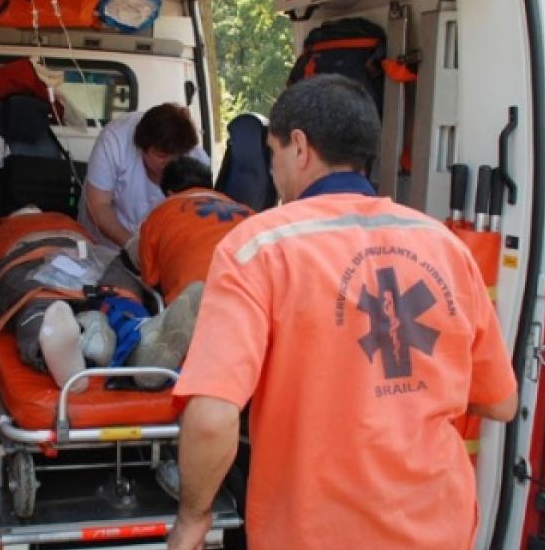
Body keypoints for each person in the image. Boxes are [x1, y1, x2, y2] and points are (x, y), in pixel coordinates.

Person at [167, 75, 519, 550]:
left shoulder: (258, 249)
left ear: (299, 147)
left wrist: (193, 518)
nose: (273, 172)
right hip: (438, 525)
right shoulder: (446, 247)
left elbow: (212, 416)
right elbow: (500, 402)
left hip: (315, 533)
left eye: (272, 154)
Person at [0, 184, 199, 391]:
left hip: (68, 260)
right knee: (97, 293)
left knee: (47, 297)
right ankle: (102, 337)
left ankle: (126, 341)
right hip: (57, 261)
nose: (32, 209)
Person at [78, 104, 210, 248]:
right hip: (103, 243)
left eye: (178, 156)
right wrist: (134, 247)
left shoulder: (197, 159)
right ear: (142, 148)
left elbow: (201, 217)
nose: (170, 164)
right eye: (162, 156)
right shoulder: (114, 140)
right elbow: (99, 206)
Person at [127, 156, 253, 304]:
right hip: (255, 299)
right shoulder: (247, 211)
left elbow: (150, 282)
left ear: (170, 193)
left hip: (195, 305)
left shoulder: (160, 214)